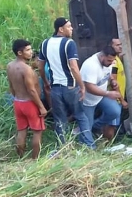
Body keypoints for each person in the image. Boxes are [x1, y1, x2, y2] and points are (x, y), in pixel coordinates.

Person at [38, 17, 96, 150]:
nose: (72, 29)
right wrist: (81, 86)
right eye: (69, 26)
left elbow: (40, 67)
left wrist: (46, 82)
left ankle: (63, 147)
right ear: (61, 29)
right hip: (70, 86)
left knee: (60, 119)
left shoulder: (45, 43)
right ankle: (90, 146)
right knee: (81, 116)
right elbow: (74, 68)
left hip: (55, 89)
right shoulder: (69, 43)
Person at [7, 39, 48, 159]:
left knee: (21, 131)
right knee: (37, 131)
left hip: (18, 102)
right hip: (30, 104)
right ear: (20, 53)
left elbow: (11, 85)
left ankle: (20, 158)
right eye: (28, 50)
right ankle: (34, 160)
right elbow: (31, 90)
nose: (31, 52)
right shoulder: (26, 69)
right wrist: (41, 107)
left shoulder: (10, 66)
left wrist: (16, 97)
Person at [80, 45, 122, 141]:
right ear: (102, 56)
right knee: (86, 128)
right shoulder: (91, 65)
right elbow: (90, 87)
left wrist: (112, 81)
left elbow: (108, 73)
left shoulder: (107, 62)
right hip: (87, 99)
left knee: (114, 111)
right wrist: (108, 93)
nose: (111, 63)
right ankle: (88, 147)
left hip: (100, 96)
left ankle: (96, 126)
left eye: (112, 61)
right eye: (109, 61)